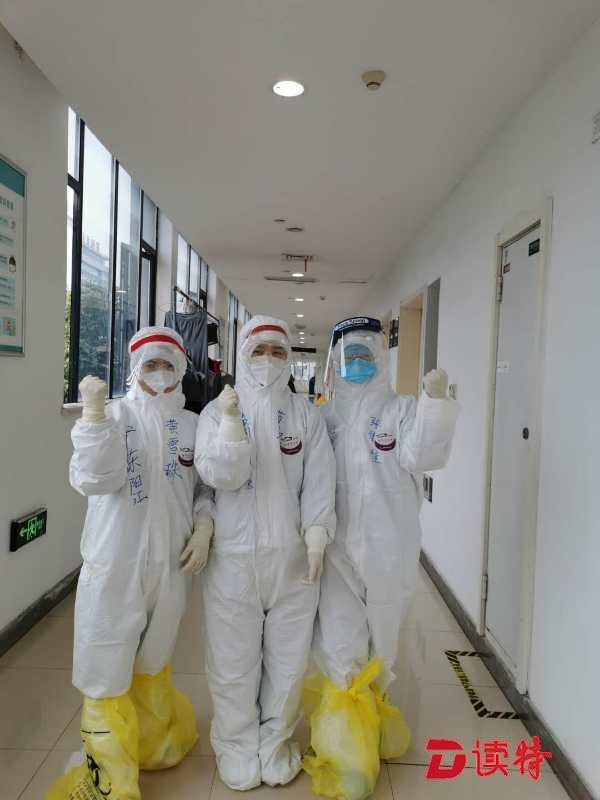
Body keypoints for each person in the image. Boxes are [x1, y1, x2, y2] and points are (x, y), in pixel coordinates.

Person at [49, 326, 214, 800]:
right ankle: (109, 778)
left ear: (181, 370)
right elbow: (93, 480)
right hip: (114, 562)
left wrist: (204, 526)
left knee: (154, 657)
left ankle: (152, 745)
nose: (159, 373)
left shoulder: (193, 425)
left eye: (168, 364)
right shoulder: (111, 417)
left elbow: (205, 488)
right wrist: (93, 419)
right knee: (105, 663)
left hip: (171, 564)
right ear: (134, 369)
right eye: (150, 364)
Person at [305, 316, 459, 800]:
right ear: (335, 361)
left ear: (380, 357)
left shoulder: (402, 411)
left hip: (389, 549)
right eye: (348, 355)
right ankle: (347, 755)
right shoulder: (325, 418)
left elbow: (424, 456)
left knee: (383, 643)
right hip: (336, 550)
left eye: (365, 354)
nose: (357, 362)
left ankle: (372, 723)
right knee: (341, 641)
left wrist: (435, 405)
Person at [195, 315, 336, 791]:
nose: (269, 360)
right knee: (232, 662)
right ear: (242, 355)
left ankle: (274, 743)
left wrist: (316, 534)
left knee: (288, 663)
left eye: (278, 351)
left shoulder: (305, 414)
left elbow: (320, 480)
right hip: (232, 560)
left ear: (290, 358)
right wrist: (231, 423)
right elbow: (218, 477)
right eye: (259, 350)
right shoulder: (214, 413)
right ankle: (236, 746)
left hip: (293, 561)